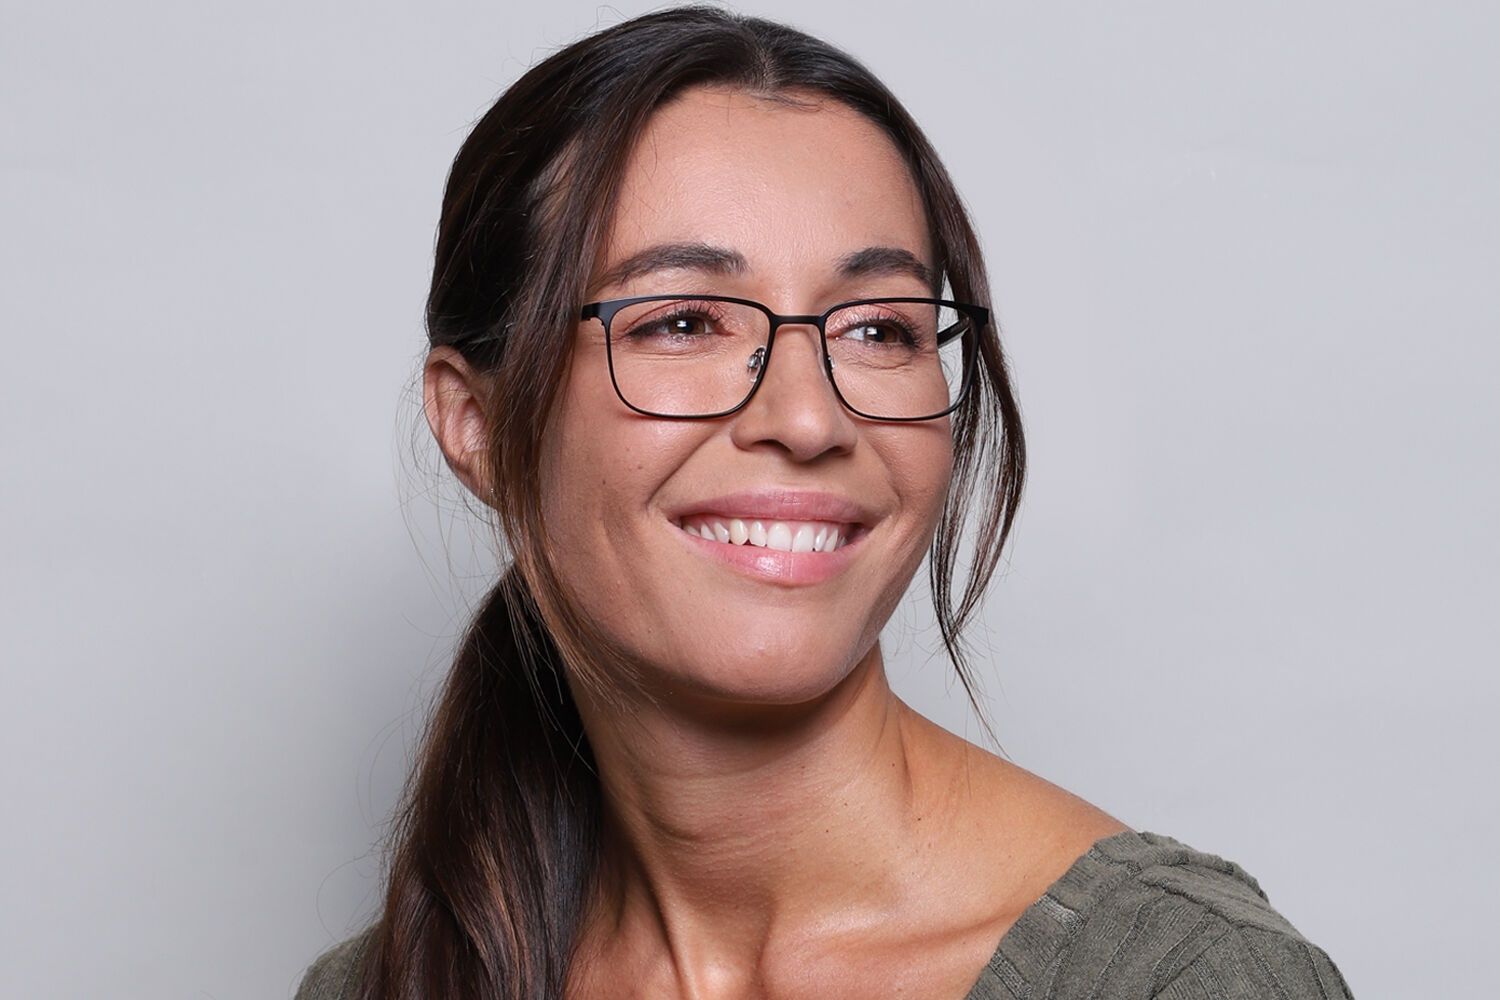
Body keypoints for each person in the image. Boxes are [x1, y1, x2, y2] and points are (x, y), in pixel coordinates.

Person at [296, 7, 1353, 999]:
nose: (808, 419)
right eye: (683, 322)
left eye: (879, 329)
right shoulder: (385, 981)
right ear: (474, 423)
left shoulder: (1181, 978)